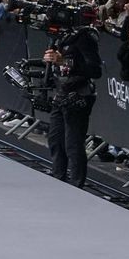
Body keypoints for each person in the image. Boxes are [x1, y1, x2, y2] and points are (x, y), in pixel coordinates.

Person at [43, 27, 102, 187]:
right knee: (55, 140)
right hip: (60, 94)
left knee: (73, 144)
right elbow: (58, 66)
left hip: (79, 96)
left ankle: (76, 186)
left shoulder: (84, 37)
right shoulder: (58, 37)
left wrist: (64, 61)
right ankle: (58, 179)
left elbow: (95, 70)